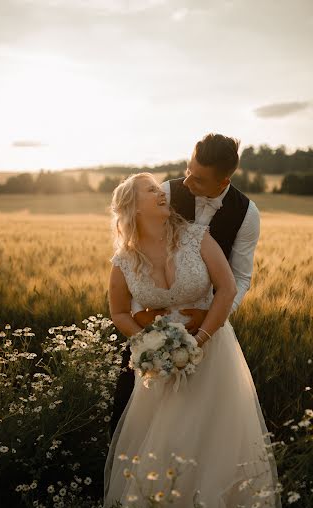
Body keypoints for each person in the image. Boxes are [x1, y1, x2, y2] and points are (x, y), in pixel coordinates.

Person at [102, 168, 293, 508]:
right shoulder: (123, 260)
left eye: (159, 188)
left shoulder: (196, 237)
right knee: (165, 438)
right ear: (131, 207)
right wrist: (147, 340)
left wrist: (198, 340)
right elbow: (118, 311)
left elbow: (227, 289)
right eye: (151, 190)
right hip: (160, 358)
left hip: (211, 349)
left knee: (210, 436)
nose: (162, 193)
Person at [109, 133, 260, 437]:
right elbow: (136, 258)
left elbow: (239, 279)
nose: (187, 182)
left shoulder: (246, 214)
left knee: (211, 429)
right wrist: (143, 320)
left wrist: (211, 318)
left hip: (209, 328)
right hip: (154, 336)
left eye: (199, 179)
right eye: (188, 169)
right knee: (135, 423)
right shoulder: (164, 193)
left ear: (223, 181)